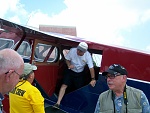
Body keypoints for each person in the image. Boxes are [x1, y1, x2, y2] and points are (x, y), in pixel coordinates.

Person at [53, 42, 96, 109]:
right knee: (64, 85)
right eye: (78, 49)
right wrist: (69, 65)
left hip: (80, 73)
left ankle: (85, 105)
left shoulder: (87, 56)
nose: (78, 51)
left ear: (84, 52)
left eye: (80, 51)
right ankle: (58, 103)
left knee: (81, 89)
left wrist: (93, 79)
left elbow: (91, 68)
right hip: (70, 71)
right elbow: (67, 59)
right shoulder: (73, 50)